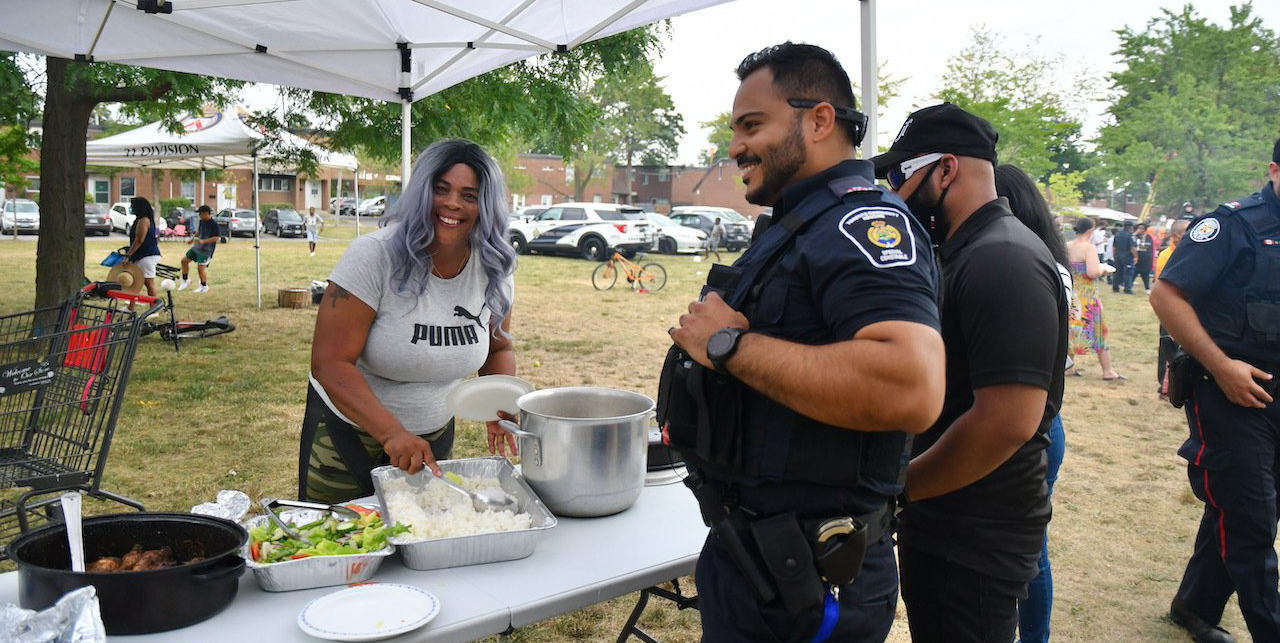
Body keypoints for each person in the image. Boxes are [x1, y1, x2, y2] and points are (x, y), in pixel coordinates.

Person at [661, 42, 945, 643]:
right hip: (754, 559)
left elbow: (911, 384)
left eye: (752, 125)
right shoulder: (800, 223)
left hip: (809, 576)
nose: (736, 146)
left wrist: (728, 348)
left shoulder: (861, 224)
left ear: (818, 120)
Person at [873, 103, 1067, 643]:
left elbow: (1006, 421)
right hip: (944, 519)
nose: (894, 193)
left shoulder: (1001, 258)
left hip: (975, 534)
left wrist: (901, 490)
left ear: (946, 169)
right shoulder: (964, 250)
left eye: (900, 176)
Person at [301, 139, 519, 504]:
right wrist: (391, 433)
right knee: (342, 539)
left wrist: (497, 404)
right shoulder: (374, 256)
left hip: (431, 437)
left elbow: (499, 346)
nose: (452, 203)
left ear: (485, 205)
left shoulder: (495, 267)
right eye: (441, 189)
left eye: (469, 195)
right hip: (348, 433)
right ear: (420, 191)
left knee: (417, 536)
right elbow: (330, 362)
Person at [1150, 138, 1280, 643]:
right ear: (1273, 170)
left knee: (1243, 508)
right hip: (1229, 392)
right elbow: (1166, 294)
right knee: (1251, 522)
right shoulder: (1232, 225)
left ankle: (1194, 605)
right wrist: (1223, 366)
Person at [994, 163, 1071, 643]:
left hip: (1029, 424)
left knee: (1029, 550)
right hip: (1051, 420)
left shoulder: (1018, 265)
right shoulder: (1051, 264)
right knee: (1030, 546)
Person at [1065, 217, 1124, 381]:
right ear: (1091, 231)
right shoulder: (1089, 248)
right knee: (1099, 333)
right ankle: (1108, 371)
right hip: (1086, 299)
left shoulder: (1066, 246)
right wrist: (1103, 270)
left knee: (1069, 332)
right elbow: (1092, 272)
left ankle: (1068, 368)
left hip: (1071, 297)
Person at [121, 196, 162, 300]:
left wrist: (128, 255)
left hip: (147, 255)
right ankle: (131, 307)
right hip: (142, 255)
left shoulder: (143, 221)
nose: (131, 208)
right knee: (134, 281)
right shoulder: (141, 220)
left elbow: (139, 240)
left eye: (132, 206)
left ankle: (154, 308)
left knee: (149, 283)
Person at [178, 205, 220, 293]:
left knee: (200, 268)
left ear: (206, 213)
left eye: (200, 214)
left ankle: (204, 286)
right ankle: (185, 281)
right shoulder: (202, 221)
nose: (199, 215)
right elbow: (199, 231)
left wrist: (203, 241)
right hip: (197, 247)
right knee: (184, 261)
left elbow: (216, 238)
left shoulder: (214, 224)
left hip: (206, 250)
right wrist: (192, 239)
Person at [1113, 221, 1136, 293]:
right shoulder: (1130, 236)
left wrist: (1114, 255)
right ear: (1131, 227)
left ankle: (1115, 287)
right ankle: (1127, 289)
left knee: (1117, 272)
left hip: (1118, 256)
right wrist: (1136, 257)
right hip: (1127, 257)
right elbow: (1132, 248)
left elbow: (1114, 246)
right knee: (1128, 273)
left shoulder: (1117, 234)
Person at [1133, 222, 1156, 292]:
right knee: (1133, 273)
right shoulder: (1134, 236)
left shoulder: (1149, 237)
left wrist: (1152, 260)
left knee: (1145, 275)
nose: (1140, 230)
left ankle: (1147, 288)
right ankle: (1128, 286)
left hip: (1146, 259)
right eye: (1139, 228)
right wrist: (1134, 234)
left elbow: (1151, 249)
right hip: (1137, 258)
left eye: (1142, 228)